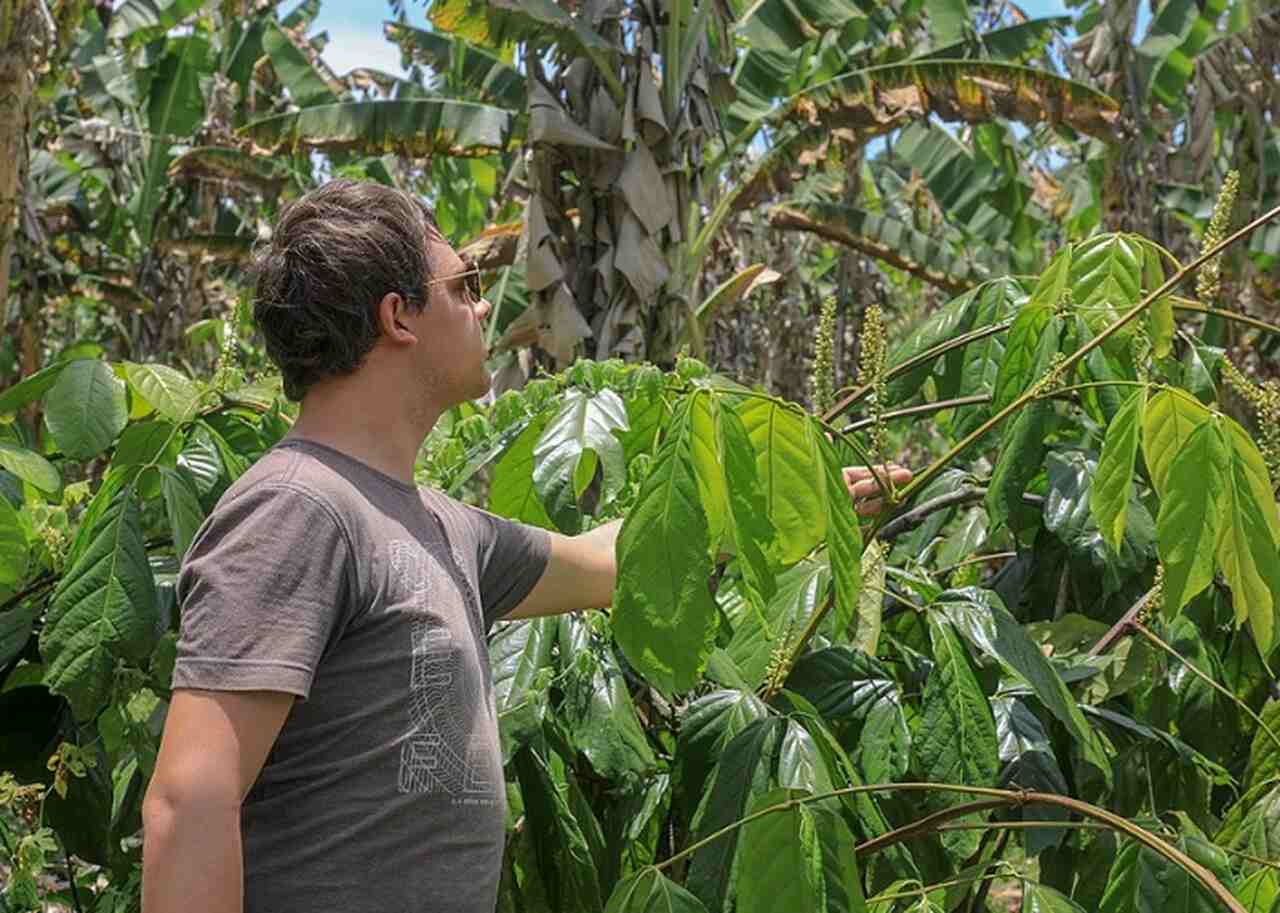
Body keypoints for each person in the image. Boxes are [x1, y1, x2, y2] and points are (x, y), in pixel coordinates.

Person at [140, 180, 911, 913]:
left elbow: (611, 563)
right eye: (463, 285)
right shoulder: (297, 508)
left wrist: (787, 504)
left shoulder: (444, 526)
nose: (481, 308)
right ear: (398, 317)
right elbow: (190, 798)